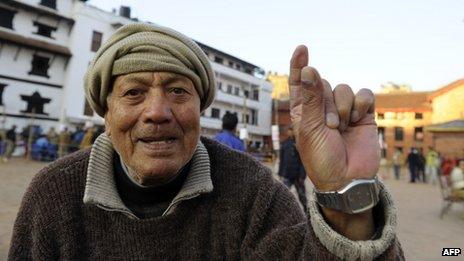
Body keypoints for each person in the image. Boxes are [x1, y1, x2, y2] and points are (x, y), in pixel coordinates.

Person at [9, 23, 403, 260]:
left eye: (179, 91)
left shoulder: (252, 191)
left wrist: (346, 198)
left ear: (201, 108)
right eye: (134, 93)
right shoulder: (54, 195)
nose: (158, 111)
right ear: (106, 113)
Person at [278, 126, 307, 211]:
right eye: (289, 130)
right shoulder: (285, 144)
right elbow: (282, 160)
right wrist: (280, 174)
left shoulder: (300, 144)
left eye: (292, 130)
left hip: (298, 176)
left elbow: (304, 161)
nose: (291, 132)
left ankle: (306, 211)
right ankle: (280, 212)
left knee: (302, 196)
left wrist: (302, 175)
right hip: (287, 175)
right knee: (283, 194)